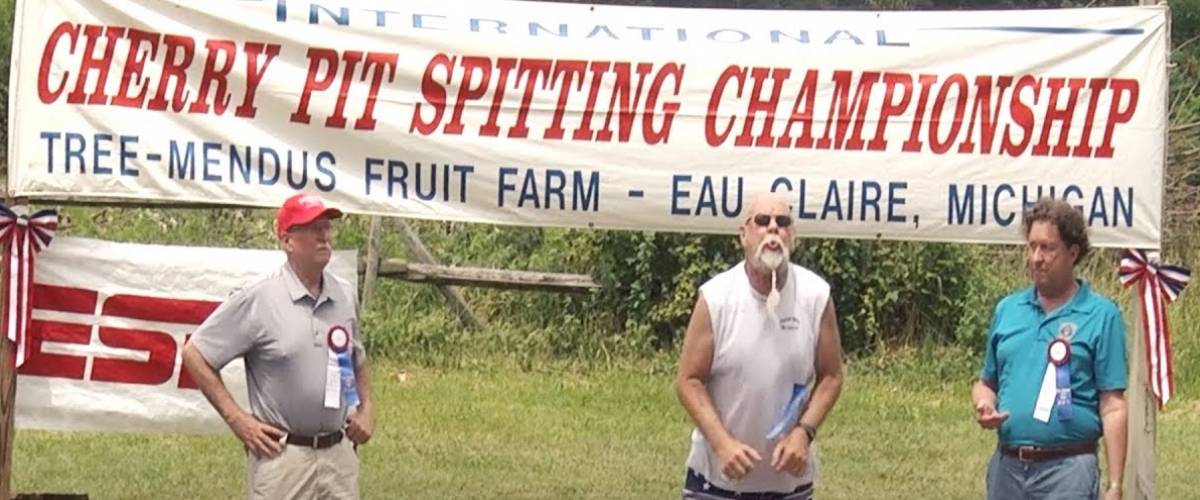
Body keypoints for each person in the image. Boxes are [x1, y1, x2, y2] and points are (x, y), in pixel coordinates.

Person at [182, 192, 373, 500]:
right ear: (287, 240)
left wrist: (366, 409)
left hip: (338, 455)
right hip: (283, 458)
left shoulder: (344, 295)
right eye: (313, 227)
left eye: (327, 226)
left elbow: (355, 359)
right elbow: (195, 354)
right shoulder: (259, 298)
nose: (324, 235)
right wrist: (238, 420)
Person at [675, 192, 844, 500]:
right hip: (716, 484)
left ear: (792, 236)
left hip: (790, 485)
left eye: (782, 222)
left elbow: (831, 376)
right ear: (744, 234)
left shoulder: (817, 296)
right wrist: (722, 444)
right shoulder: (715, 298)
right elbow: (689, 380)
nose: (772, 229)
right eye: (762, 221)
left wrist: (803, 433)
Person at [972, 197, 1127, 500]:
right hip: (1008, 469)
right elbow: (985, 383)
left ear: (1073, 252)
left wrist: (1115, 485)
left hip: (1069, 472)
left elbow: (1113, 405)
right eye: (1032, 246)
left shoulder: (1101, 315)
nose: (1036, 257)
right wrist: (984, 405)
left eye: (1048, 247)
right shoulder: (1008, 309)